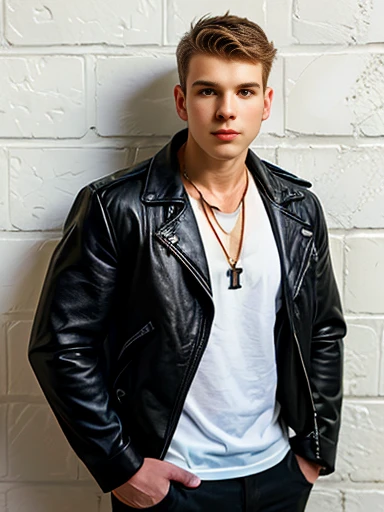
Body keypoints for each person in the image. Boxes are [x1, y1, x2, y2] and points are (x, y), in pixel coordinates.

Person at [28, 12, 346, 512]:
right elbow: (62, 347)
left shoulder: (297, 210)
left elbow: (324, 331)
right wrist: (121, 466)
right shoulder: (118, 209)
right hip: (171, 484)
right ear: (182, 101)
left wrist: (313, 453)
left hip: (278, 475)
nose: (226, 111)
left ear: (266, 104)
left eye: (244, 92)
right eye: (207, 91)